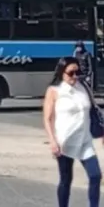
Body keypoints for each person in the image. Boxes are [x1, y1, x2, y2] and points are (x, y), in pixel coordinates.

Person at [43, 56, 101, 207]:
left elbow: (94, 111)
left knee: (95, 175)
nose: (75, 76)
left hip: (85, 140)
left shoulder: (83, 87)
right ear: (62, 72)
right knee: (66, 179)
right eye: (71, 73)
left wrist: (102, 132)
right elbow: (47, 118)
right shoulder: (54, 90)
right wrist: (52, 141)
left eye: (78, 72)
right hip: (65, 141)